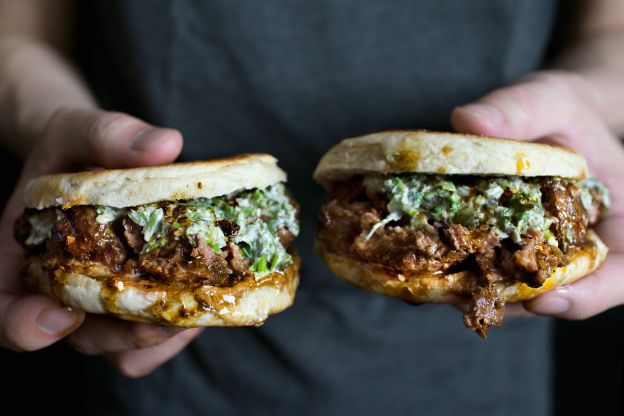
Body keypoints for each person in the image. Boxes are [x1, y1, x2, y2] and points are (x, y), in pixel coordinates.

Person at [0, 1, 623, 414]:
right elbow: (18, 31)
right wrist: (48, 120)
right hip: (173, 383)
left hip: (480, 380)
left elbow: (611, 30)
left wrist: (589, 95)